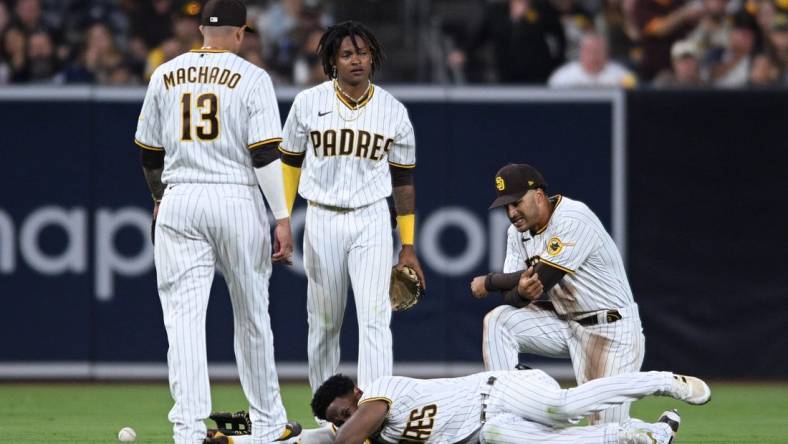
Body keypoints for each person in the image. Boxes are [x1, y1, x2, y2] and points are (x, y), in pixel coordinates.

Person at [134, 0, 300, 442]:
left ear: (200, 30)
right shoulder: (253, 77)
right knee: (251, 315)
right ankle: (267, 423)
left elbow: (149, 153)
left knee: (183, 322)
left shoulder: (164, 74)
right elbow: (265, 154)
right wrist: (281, 215)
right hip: (235, 196)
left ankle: (188, 429)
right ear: (241, 33)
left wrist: (158, 198)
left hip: (180, 196)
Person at [278, 20, 426, 394]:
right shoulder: (307, 103)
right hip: (322, 217)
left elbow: (404, 181)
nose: (356, 60)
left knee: (375, 318)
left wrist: (407, 245)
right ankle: (328, 412)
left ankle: (377, 410)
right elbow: (290, 165)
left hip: (372, 218)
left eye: (362, 53)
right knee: (325, 322)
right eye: (347, 54)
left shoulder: (393, 111)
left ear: (373, 58)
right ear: (332, 62)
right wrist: (282, 218)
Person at [470, 164, 644, 425]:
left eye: (516, 202)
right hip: (566, 326)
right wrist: (518, 292)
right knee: (498, 321)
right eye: (506, 206)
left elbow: (544, 275)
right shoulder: (516, 234)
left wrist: (489, 281)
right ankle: (505, 410)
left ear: (538, 195)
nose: (511, 212)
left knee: (606, 432)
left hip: (612, 332)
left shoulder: (574, 218)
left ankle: (657, 432)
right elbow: (511, 298)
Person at [310, 370, 710, 444]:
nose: (343, 418)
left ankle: (662, 381)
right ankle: (641, 435)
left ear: (355, 393)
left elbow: (345, 440)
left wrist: (330, 434)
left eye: (342, 410)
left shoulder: (378, 391)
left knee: (561, 407)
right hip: (486, 431)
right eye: (336, 420)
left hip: (498, 390)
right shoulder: (379, 439)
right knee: (541, 443)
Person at [548, 33, 636, 88]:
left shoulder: (622, 76)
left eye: (598, 51)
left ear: (606, 53)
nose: (594, 56)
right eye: (590, 51)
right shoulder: (562, 77)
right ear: (581, 52)